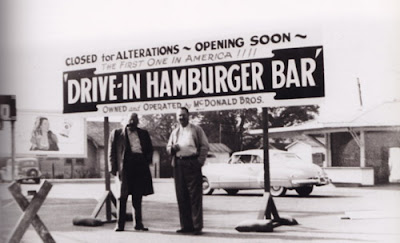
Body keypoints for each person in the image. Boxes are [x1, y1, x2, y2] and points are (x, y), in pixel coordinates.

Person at [167, 107, 209, 235]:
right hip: (179, 164)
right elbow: (168, 147)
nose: (181, 118)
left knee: (195, 196)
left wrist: (199, 162)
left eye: (183, 115)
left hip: (192, 163)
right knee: (182, 196)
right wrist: (172, 148)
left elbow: (204, 146)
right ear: (177, 117)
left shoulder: (196, 130)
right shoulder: (175, 132)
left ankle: (197, 226)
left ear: (188, 116)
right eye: (179, 116)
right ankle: (186, 226)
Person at [109, 113, 154, 232]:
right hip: (124, 167)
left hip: (139, 166)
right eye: (130, 120)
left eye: (135, 120)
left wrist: (146, 161)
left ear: (138, 121)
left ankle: (138, 224)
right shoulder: (117, 133)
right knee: (122, 197)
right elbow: (112, 152)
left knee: (137, 196)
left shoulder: (143, 133)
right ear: (124, 121)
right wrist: (113, 169)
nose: (132, 123)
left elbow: (150, 149)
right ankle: (120, 225)